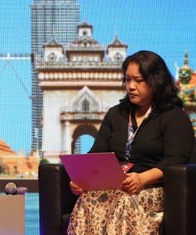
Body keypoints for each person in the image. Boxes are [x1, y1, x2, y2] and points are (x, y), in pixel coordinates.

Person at [67, 50, 195, 235]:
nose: (131, 86)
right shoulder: (116, 114)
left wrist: (142, 179)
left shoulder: (174, 116)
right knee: (87, 198)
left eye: (138, 80)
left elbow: (175, 162)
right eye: (127, 80)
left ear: (156, 81)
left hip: (153, 186)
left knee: (122, 200)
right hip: (116, 185)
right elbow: (96, 153)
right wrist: (81, 179)